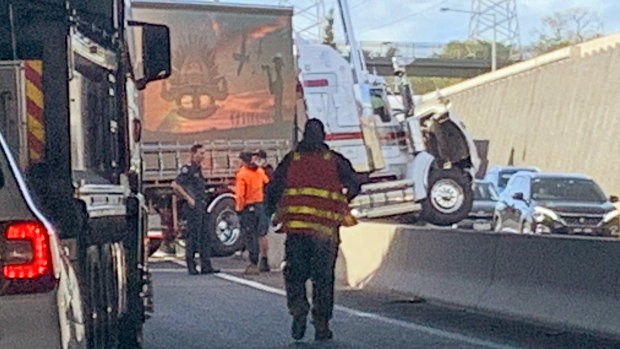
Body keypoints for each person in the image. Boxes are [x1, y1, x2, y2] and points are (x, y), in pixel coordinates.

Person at [265, 119, 361, 341]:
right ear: (324, 136)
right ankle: (321, 325)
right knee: (323, 278)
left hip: (297, 231)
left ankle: (298, 308)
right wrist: (343, 200)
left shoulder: (292, 160)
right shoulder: (335, 160)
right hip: (325, 233)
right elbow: (355, 182)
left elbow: (274, 188)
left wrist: (271, 210)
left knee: (294, 273)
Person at [171, 144, 219, 275]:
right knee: (193, 236)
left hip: (202, 205)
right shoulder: (188, 169)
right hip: (193, 207)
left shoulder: (199, 169)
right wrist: (188, 198)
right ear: (193, 154)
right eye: (200, 153)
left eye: (204, 153)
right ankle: (191, 265)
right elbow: (175, 185)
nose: (203, 156)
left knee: (205, 235)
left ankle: (206, 265)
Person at [235, 151, 269, 275]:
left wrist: (239, 209)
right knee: (262, 234)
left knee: (250, 236)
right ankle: (264, 260)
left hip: (248, 207)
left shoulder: (242, 174)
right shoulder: (259, 171)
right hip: (260, 205)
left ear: (243, 161)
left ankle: (253, 263)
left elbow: (240, 195)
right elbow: (266, 182)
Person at [253, 149, 274, 272]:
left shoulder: (267, 172)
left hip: (264, 204)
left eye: (258, 158)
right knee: (259, 233)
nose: (256, 161)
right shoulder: (258, 171)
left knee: (262, 233)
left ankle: (264, 260)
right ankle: (261, 259)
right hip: (258, 204)